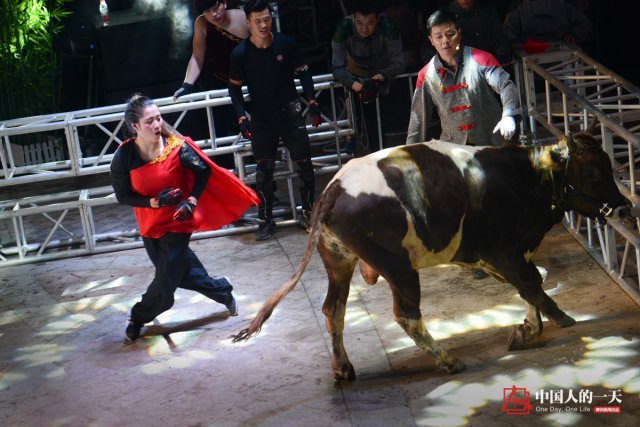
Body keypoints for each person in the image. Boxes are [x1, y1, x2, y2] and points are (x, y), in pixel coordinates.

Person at [110, 94, 259, 342]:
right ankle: (222, 290)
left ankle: (137, 317)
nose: (157, 125)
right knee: (182, 274)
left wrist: (191, 200)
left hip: (178, 222)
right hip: (150, 226)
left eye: (158, 118)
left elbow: (203, 171)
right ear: (135, 126)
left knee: (165, 285)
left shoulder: (177, 148)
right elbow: (123, 195)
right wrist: (154, 202)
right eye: (149, 121)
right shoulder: (124, 156)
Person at [228, 0, 321, 241]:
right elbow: (235, 89)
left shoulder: (286, 44)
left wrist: (312, 102)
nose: (263, 24)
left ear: (272, 18)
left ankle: (309, 212)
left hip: (290, 114)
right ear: (248, 23)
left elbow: (304, 72)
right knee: (263, 172)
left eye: (266, 19)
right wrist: (241, 116)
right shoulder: (240, 54)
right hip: (261, 118)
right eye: (257, 21)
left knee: (306, 167)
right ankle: (265, 219)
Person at [406, 9, 521, 148]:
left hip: (491, 144)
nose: (445, 41)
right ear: (431, 40)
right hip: (454, 151)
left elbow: (506, 86)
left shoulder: (481, 59)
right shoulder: (426, 75)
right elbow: (417, 119)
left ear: (459, 33)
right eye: (438, 37)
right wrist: (409, 153)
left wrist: (508, 114)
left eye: (450, 34)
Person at [332, 0, 405, 154]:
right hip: (353, 76)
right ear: (352, 18)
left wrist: (384, 75)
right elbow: (337, 67)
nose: (364, 29)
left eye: (370, 23)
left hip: (382, 75)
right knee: (356, 126)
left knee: (382, 124)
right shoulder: (343, 28)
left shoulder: (387, 26)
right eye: (359, 23)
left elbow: (399, 61)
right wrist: (351, 82)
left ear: (378, 19)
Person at [173, 0, 249, 100]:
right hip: (222, 83)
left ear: (224, 3)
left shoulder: (243, 17)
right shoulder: (201, 23)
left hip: (251, 79)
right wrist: (187, 85)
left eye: (216, 8)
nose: (214, 14)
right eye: (208, 11)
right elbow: (197, 57)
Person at [441, 0, 511, 64]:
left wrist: (502, 54)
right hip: (456, 65)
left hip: (486, 63)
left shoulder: (488, 12)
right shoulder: (444, 15)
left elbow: (499, 38)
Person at [503, 0, 591, 47]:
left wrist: (574, 35)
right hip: (530, 60)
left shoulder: (566, 2)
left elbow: (583, 24)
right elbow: (507, 32)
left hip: (564, 57)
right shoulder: (519, 5)